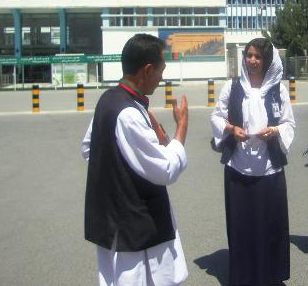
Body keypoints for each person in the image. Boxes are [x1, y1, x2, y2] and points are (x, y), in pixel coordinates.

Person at [82, 34, 189, 286]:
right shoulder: (128, 113)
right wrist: (181, 127)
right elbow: (165, 169)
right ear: (147, 70)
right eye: (161, 70)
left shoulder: (109, 99)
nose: (162, 77)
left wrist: (119, 166)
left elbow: (89, 148)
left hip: (116, 219)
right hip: (134, 227)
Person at [210, 37, 296, 286]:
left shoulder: (278, 90)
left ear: (267, 60)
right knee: (242, 225)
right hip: (238, 167)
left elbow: (289, 123)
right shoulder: (233, 87)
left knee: (270, 224)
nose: (252, 60)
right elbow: (216, 117)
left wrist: (275, 131)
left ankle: (269, 274)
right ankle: (244, 275)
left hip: (269, 169)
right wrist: (231, 129)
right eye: (249, 55)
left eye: (258, 56)